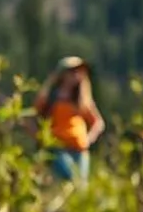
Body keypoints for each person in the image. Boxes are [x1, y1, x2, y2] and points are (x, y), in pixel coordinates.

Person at [34, 56, 104, 184]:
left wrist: (89, 138)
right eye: (73, 71)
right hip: (58, 147)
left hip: (80, 149)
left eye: (80, 72)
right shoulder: (51, 97)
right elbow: (35, 112)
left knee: (81, 187)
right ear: (63, 74)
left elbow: (98, 122)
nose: (77, 75)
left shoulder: (82, 100)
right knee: (72, 178)